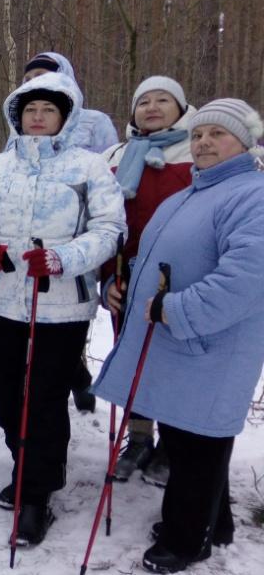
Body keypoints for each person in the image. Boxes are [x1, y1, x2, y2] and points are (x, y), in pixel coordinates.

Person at [93, 99, 264, 574]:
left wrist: (176, 310)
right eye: (199, 135)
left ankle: (188, 539)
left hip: (213, 344)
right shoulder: (187, 193)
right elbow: (149, 258)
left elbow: (248, 277)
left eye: (218, 135)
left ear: (244, 142)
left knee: (198, 443)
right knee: (190, 435)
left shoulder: (253, 195)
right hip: (179, 342)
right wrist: (119, 288)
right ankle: (216, 522)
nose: (204, 143)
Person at [0, 72, 125, 545]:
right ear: (18, 115)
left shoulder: (89, 167)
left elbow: (111, 228)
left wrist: (63, 258)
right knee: (6, 394)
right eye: (30, 110)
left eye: (48, 110)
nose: (37, 117)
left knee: (46, 400)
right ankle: (27, 461)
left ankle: (37, 494)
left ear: (65, 117)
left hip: (60, 306)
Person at [101, 77, 197, 488]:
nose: (152, 107)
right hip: (126, 271)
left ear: (181, 107)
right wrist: (106, 277)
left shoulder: (198, 150)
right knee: (132, 357)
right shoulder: (115, 155)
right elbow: (100, 220)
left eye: (163, 100)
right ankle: (139, 438)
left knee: (175, 361)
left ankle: (175, 445)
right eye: (144, 101)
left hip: (180, 275)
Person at [14, 52, 120, 414]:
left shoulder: (94, 121)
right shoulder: (25, 123)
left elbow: (110, 168)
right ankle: (50, 386)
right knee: (28, 334)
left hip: (74, 240)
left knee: (63, 328)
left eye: (43, 75)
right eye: (28, 79)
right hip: (26, 248)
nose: (34, 84)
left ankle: (75, 377)